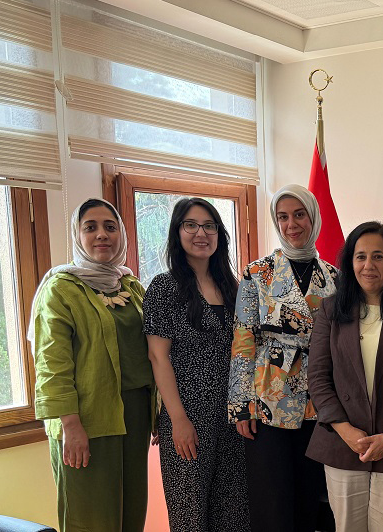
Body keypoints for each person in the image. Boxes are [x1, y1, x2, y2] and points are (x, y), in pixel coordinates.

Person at [31, 198, 155, 532]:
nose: (102, 235)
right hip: (85, 420)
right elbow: (51, 364)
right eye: (91, 227)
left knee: (131, 513)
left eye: (110, 227)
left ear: (121, 235)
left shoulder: (132, 287)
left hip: (134, 417)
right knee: (90, 518)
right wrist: (70, 425)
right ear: (78, 235)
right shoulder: (60, 289)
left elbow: (154, 352)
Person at [227, 184, 338, 531]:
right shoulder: (257, 272)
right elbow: (243, 340)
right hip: (268, 399)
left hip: (319, 401)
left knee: (309, 501)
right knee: (272, 503)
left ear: (313, 217)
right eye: (283, 217)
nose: (292, 224)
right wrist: (240, 406)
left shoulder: (335, 276)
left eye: (299, 214)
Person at [308, 221, 383, 532]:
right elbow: (318, 377)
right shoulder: (330, 310)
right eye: (361, 257)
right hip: (343, 445)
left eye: (378, 256)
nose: (368, 265)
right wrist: (345, 431)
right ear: (350, 263)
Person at [143, 197, 250, 531]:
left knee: (234, 516)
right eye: (191, 225)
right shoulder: (164, 287)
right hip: (188, 417)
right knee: (190, 517)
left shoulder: (232, 287)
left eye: (209, 226)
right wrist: (178, 420)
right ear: (178, 232)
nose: (201, 233)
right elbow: (158, 356)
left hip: (232, 421)